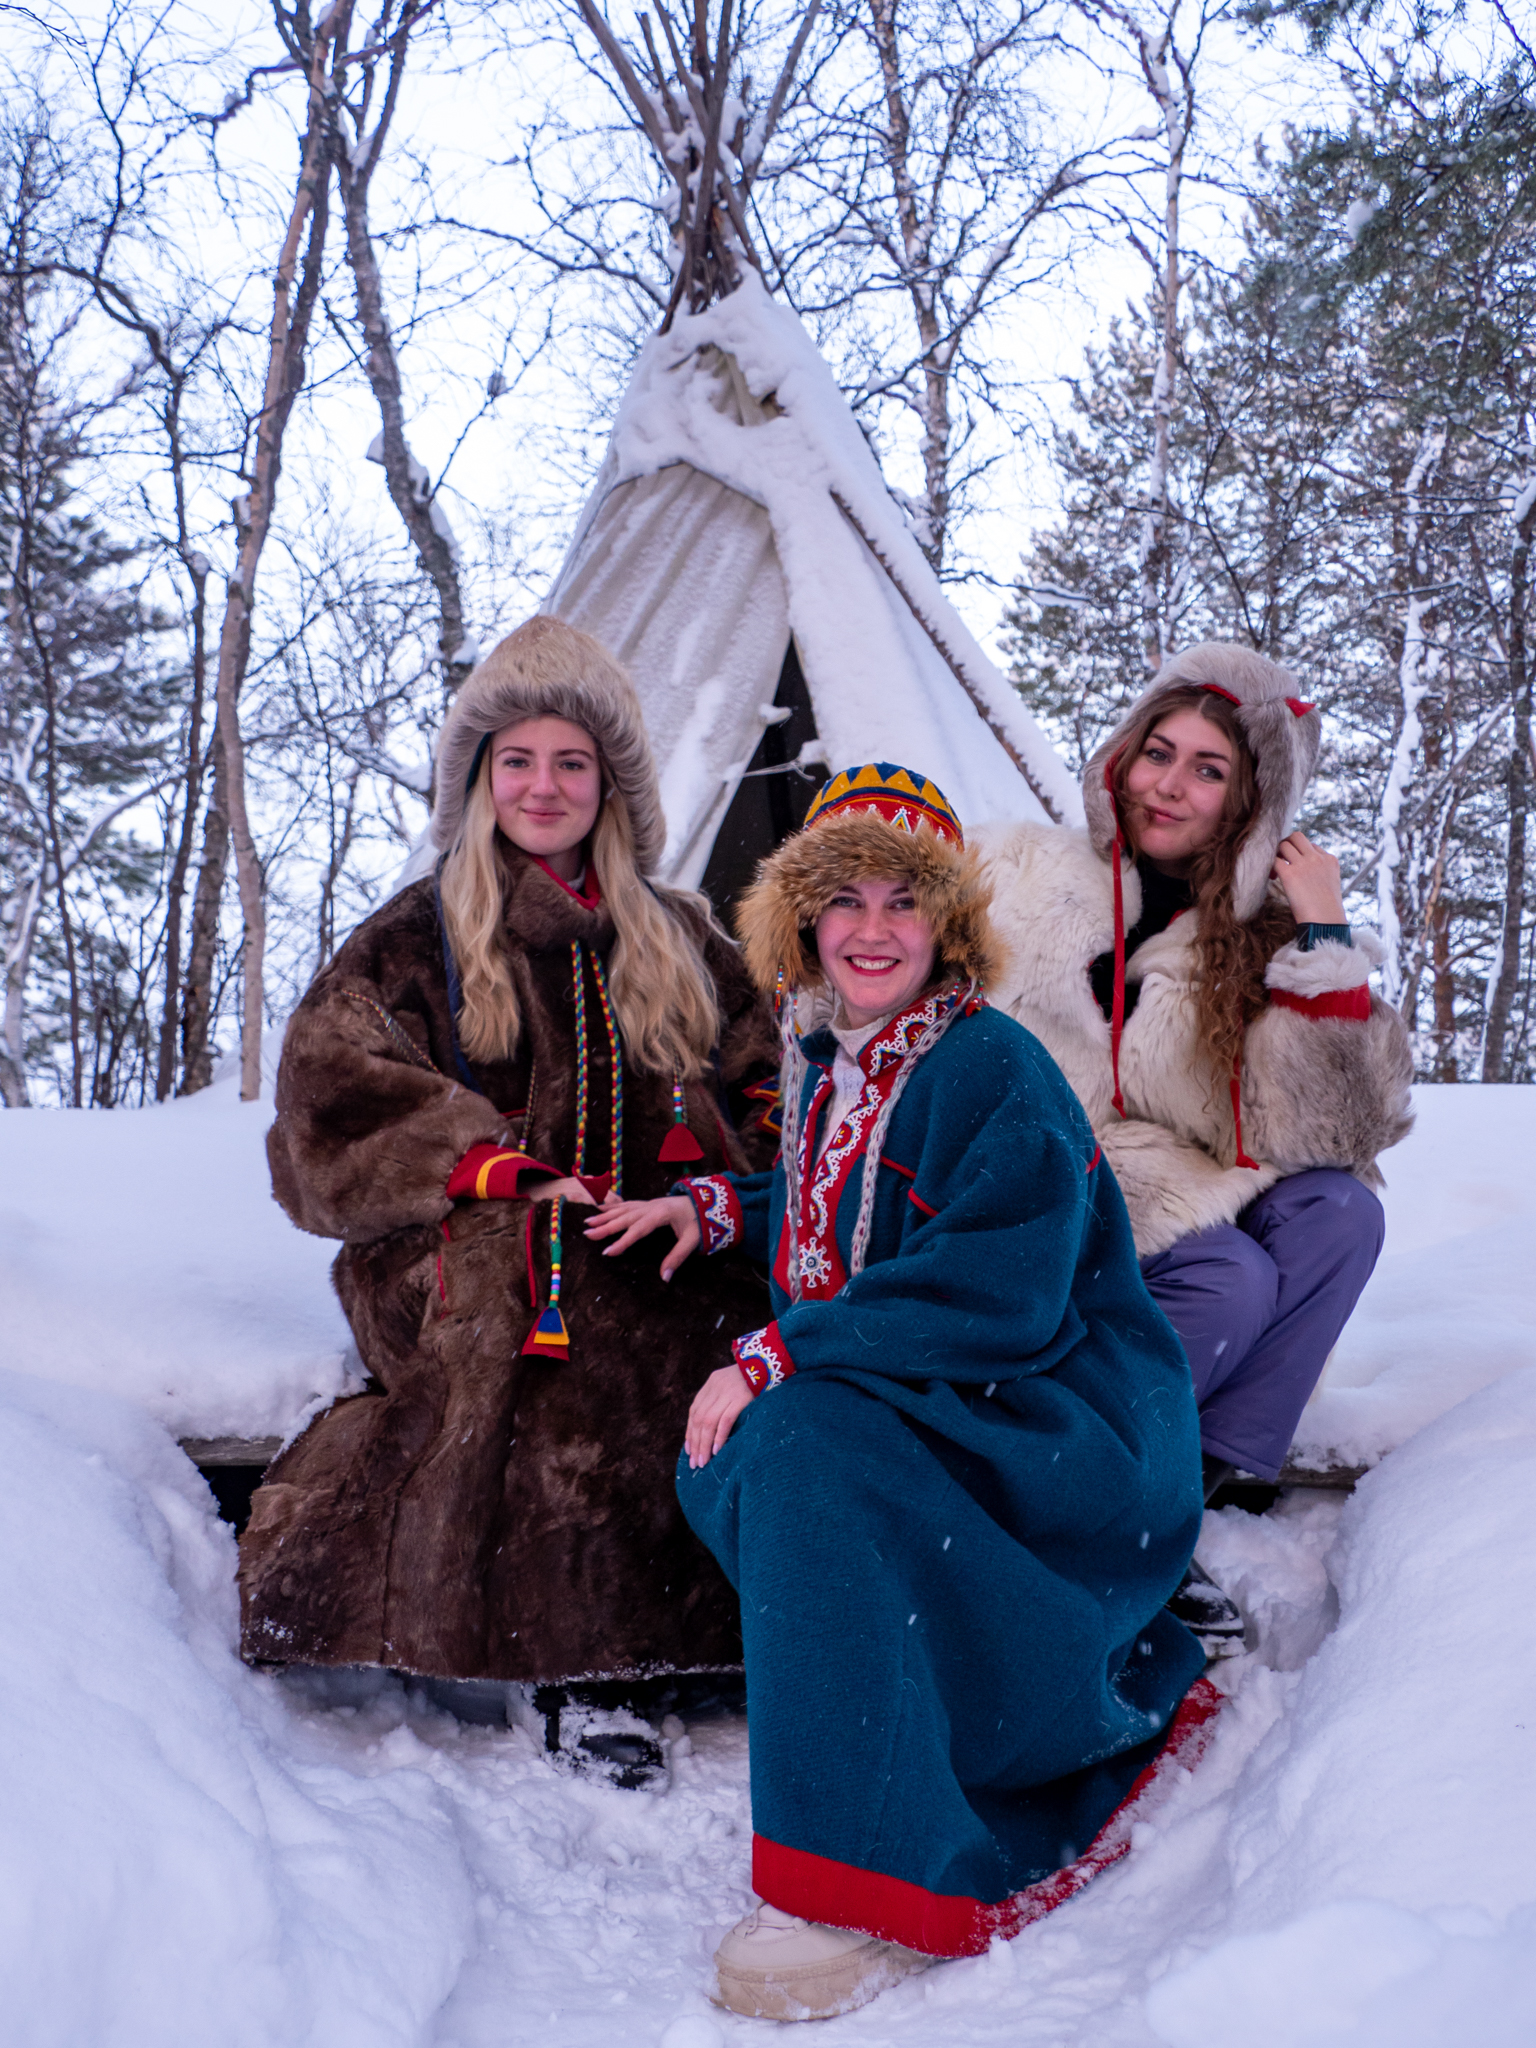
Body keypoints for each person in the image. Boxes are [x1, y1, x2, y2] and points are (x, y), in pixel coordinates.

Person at [589, 763, 1215, 2021]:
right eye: (842, 901)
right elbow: (855, 1202)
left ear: (947, 924)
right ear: (803, 922)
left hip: (1051, 1408)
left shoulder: (991, 1063)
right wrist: (712, 1205)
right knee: (763, 1453)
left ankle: (865, 1873)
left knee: (806, 1447)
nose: (872, 928)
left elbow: (993, 1282)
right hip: (951, 1375)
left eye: (902, 901)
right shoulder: (841, 1052)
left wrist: (778, 1352)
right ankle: (881, 1704)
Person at [239, 616, 779, 1784]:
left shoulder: (681, 935)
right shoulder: (418, 931)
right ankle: (582, 1661)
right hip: (458, 1246)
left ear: (611, 786)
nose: (544, 784)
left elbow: (767, 1074)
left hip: (661, 1232)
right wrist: (488, 1163)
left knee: (727, 1315)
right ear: (481, 779)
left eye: (571, 762)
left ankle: (716, 1631)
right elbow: (325, 1091)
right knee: (577, 1311)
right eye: (518, 760)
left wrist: (727, 1177)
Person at [976, 645, 1413, 1632]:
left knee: (1341, 1212)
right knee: (1227, 1274)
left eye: (1207, 769)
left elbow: (1339, 1128)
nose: (1168, 783)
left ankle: (1203, 1484)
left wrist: (1322, 936)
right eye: (1157, 751)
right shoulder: (1017, 876)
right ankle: (1100, 1484)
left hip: (1195, 1172)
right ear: (1121, 755)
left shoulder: (1259, 928)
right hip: (1043, 1174)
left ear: (1247, 803)